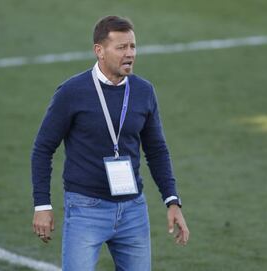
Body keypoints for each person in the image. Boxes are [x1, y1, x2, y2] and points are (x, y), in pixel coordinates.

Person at [31, 15, 189, 271]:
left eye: (133, 46)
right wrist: (42, 205)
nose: (130, 54)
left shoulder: (143, 91)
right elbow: (43, 149)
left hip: (133, 210)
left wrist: (172, 201)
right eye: (121, 47)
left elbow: (157, 150)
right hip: (85, 208)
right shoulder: (72, 92)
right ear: (99, 51)